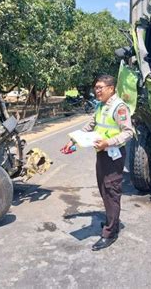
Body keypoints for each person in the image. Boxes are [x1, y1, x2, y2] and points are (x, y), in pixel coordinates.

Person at [61, 75, 134, 251]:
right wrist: (73, 140)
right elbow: (91, 125)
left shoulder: (119, 107)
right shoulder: (101, 105)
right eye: (96, 87)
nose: (97, 90)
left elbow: (128, 132)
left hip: (113, 155)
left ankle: (110, 232)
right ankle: (111, 220)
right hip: (102, 154)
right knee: (103, 189)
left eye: (101, 87)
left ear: (111, 88)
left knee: (111, 191)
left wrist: (108, 143)